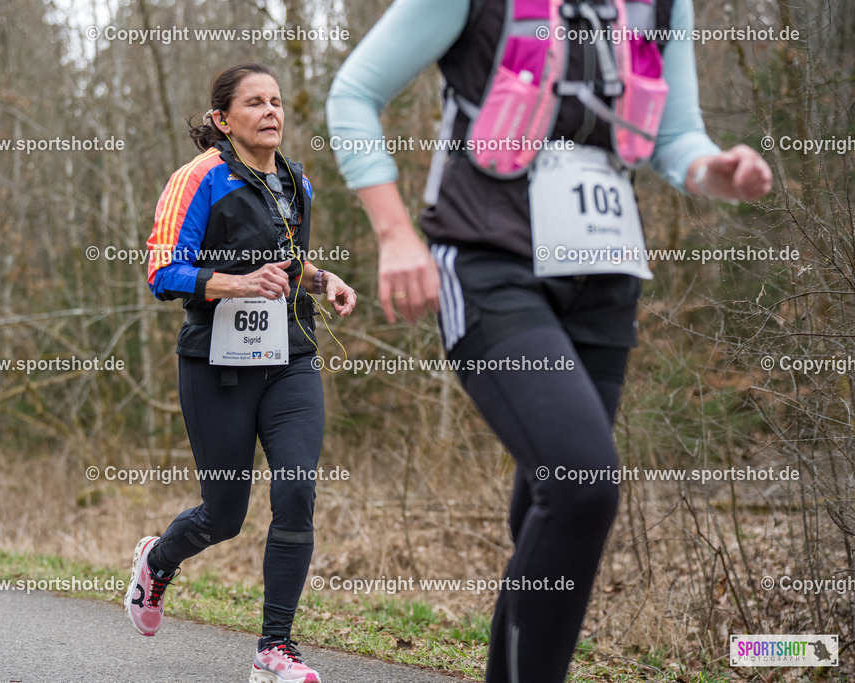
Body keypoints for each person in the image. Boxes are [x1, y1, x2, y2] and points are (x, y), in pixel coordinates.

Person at [327, 1, 771, 681]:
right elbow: (354, 93)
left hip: (605, 275)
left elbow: (676, 136)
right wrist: (394, 234)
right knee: (581, 486)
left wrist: (716, 171)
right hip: (489, 262)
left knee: (551, 509)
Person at [127, 62, 356, 683]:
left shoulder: (296, 182)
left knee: (297, 490)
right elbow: (162, 272)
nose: (271, 111)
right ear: (223, 119)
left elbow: (288, 262)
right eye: (255, 102)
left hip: (290, 358)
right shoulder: (199, 177)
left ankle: (275, 648)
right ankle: (158, 560)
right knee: (224, 515)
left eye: (276, 101)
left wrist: (323, 279)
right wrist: (237, 283)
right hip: (216, 366)